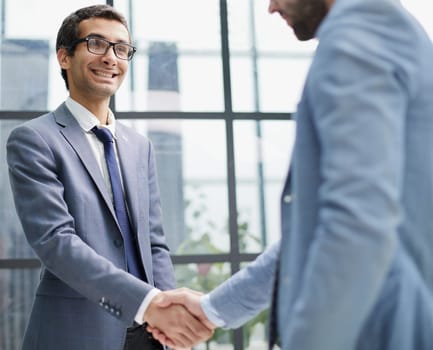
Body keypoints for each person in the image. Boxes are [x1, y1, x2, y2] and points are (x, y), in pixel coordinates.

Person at [148, 0, 433, 349]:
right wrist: (212, 309)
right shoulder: (388, 31)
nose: (270, 7)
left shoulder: (355, 39)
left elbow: (357, 223)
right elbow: (314, 229)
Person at [6, 5, 211, 350]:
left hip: (149, 335)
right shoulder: (34, 139)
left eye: (121, 49)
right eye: (96, 44)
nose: (110, 58)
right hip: (76, 333)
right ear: (64, 57)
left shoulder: (139, 146)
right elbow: (57, 243)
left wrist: (170, 314)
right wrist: (149, 302)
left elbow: (154, 243)